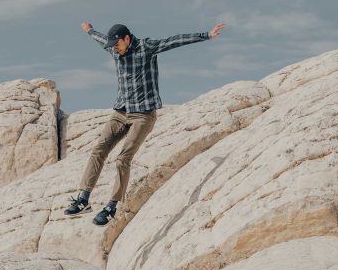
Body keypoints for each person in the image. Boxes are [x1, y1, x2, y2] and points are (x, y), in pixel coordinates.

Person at [64, 20, 226, 225]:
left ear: (127, 39)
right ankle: (84, 198)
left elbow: (173, 41)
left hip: (143, 115)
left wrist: (206, 35)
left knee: (123, 158)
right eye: (112, 46)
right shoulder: (114, 48)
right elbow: (101, 39)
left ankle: (112, 205)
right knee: (99, 149)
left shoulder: (146, 47)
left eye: (117, 44)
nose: (114, 49)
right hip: (120, 112)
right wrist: (89, 30)